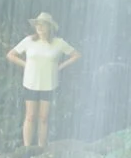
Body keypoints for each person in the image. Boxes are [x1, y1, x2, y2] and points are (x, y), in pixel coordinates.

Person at [6, 13, 81, 150]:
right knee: (30, 116)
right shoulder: (29, 41)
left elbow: (76, 55)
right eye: (37, 24)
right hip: (31, 82)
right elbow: (11, 55)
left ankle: (41, 148)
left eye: (42, 24)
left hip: (49, 84)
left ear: (49, 27)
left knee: (44, 118)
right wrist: (26, 65)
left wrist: (60, 66)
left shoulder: (59, 43)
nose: (39, 27)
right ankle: (27, 148)